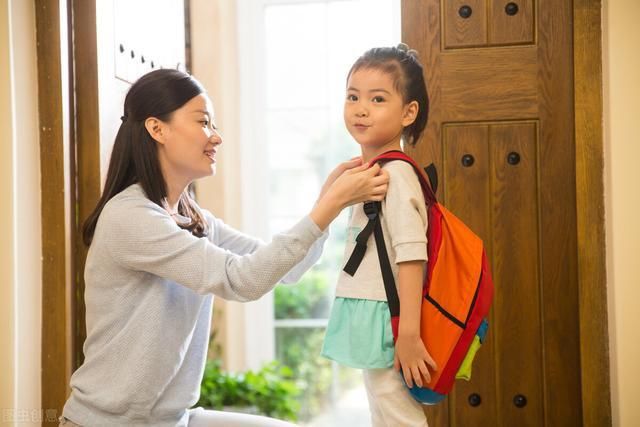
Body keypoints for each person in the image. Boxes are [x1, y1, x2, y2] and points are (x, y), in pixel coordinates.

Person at [59, 68, 389, 427]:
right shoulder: (131, 217)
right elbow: (241, 280)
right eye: (203, 122)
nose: (216, 137)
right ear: (157, 129)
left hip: (172, 419)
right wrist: (328, 208)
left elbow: (288, 269)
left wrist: (326, 204)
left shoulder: (193, 218)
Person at [320, 44, 436, 426]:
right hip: (379, 310)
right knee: (384, 412)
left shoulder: (396, 175)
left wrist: (408, 334)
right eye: (352, 96)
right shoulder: (374, 171)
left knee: (397, 415)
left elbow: (411, 255)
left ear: (408, 112)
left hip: (392, 316)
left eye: (377, 98)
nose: (360, 108)